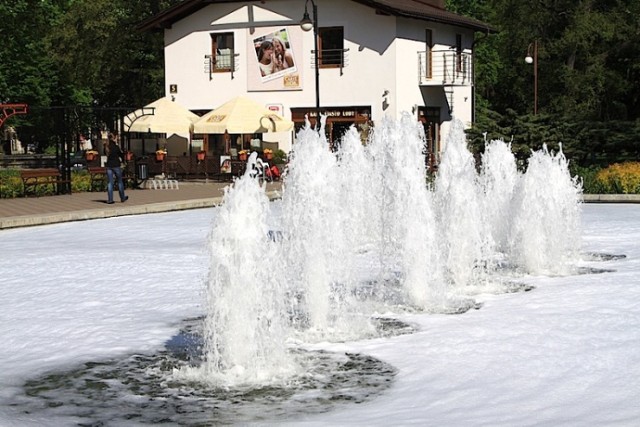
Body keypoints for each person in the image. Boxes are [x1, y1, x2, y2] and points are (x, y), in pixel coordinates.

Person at [105, 132, 128, 204]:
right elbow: (121, 155)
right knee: (120, 182)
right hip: (116, 165)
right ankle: (122, 197)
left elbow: (106, 154)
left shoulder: (106, 146)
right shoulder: (116, 146)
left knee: (110, 182)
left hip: (109, 166)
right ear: (114, 138)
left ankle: (110, 199)